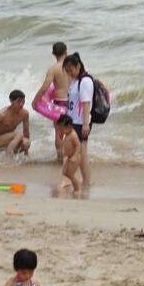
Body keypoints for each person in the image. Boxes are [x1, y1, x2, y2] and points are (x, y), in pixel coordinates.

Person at [61, 53, 95, 187]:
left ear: (78, 66)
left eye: (71, 69)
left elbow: (86, 104)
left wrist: (86, 124)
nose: (69, 73)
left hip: (81, 123)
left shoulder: (85, 81)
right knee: (79, 153)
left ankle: (84, 182)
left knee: (81, 154)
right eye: (67, 70)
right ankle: (82, 181)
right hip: (74, 121)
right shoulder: (75, 81)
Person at [32, 41, 71, 156]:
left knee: (59, 131)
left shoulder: (53, 69)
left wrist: (35, 101)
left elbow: (45, 88)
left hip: (60, 104)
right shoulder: (73, 66)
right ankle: (71, 156)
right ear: (66, 51)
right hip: (72, 103)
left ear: (53, 54)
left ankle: (60, 157)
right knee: (72, 131)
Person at [0, 91, 32, 157]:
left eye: (23, 102)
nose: (21, 104)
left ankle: (9, 152)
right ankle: (8, 156)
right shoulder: (2, 114)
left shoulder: (25, 114)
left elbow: (26, 131)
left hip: (11, 139)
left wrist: (26, 152)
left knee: (26, 143)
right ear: (11, 101)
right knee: (19, 134)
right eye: (19, 101)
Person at [54, 116, 83, 194]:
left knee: (70, 174)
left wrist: (75, 155)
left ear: (69, 127)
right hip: (69, 157)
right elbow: (67, 144)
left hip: (74, 158)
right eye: (59, 129)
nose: (61, 131)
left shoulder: (73, 135)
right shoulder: (67, 133)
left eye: (62, 129)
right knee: (65, 173)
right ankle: (76, 182)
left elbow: (78, 145)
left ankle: (77, 189)